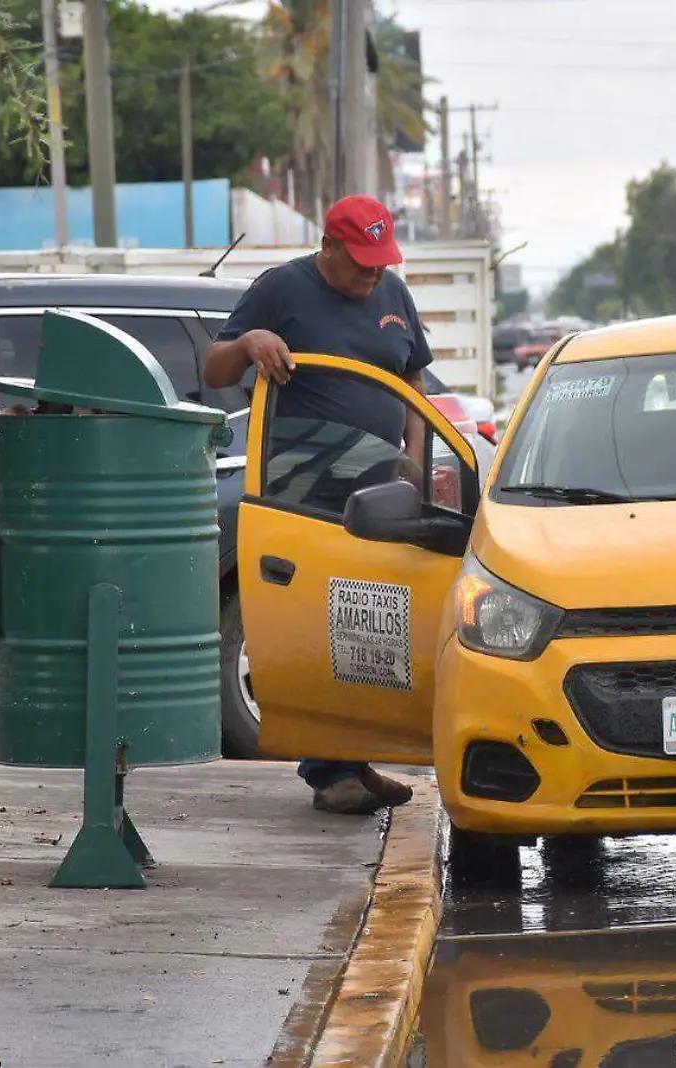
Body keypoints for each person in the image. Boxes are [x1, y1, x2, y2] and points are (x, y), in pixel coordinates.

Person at [203, 195, 428, 816]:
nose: (373, 274)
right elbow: (215, 368)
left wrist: (413, 453)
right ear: (328, 247)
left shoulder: (394, 295)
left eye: (381, 262)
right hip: (309, 493)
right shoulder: (281, 290)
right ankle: (330, 770)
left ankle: (356, 757)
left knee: (371, 628)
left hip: (381, 495)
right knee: (322, 627)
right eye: (362, 263)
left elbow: (412, 380)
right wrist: (250, 341)